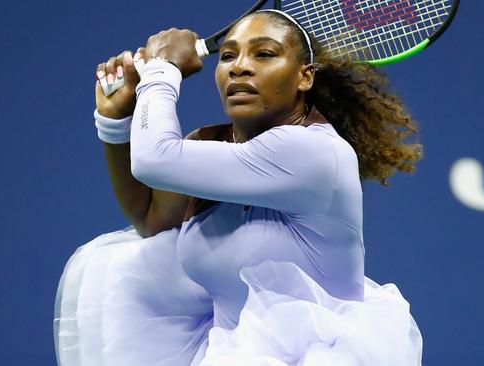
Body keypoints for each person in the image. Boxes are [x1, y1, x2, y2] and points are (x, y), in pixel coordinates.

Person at [54, 9, 422, 366]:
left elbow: (155, 160)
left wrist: (162, 71)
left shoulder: (313, 152)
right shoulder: (212, 146)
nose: (239, 66)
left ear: (305, 77)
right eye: (228, 55)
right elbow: (151, 219)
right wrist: (115, 119)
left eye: (264, 53)